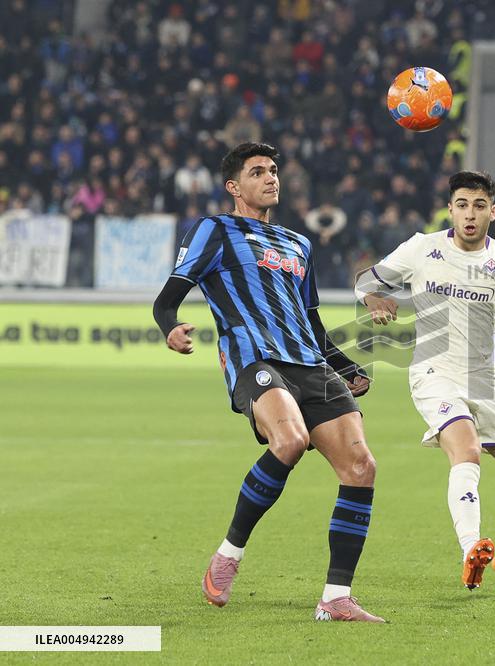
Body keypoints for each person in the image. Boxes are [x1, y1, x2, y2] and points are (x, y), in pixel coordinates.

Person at [151, 142, 384, 622]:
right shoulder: (214, 230)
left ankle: (336, 597)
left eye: (274, 170)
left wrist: (344, 366)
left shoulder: (299, 244)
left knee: (361, 467)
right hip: (254, 356)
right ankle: (229, 554)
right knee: (291, 439)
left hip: (309, 362)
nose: (271, 178)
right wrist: (169, 326)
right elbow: (168, 296)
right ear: (234, 186)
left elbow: (311, 321)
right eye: (258, 172)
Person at [355, 171, 495, 596]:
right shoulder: (420, 248)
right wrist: (375, 299)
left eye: (479, 205)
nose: (470, 214)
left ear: (492, 212)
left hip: (485, 378)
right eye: (462, 204)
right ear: (450, 209)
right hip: (434, 372)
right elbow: (365, 281)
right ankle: (472, 549)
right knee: (466, 451)